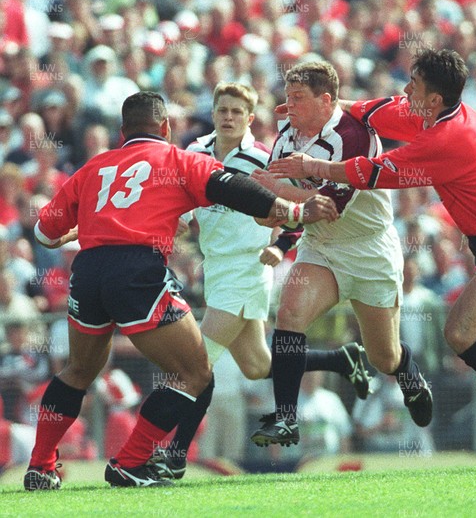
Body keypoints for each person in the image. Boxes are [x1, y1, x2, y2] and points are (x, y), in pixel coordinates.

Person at [269, 49, 476, 467]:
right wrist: (326, 105)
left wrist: (313, 166)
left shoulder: (449, 139)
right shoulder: (436, 114)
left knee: (460, 331)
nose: (404, 90)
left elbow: (373, 172)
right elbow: (377, 111)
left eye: (412, 85)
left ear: (432, 98)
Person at [22, 91, 339, 491]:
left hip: (88, 271)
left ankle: (40, 465)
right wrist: (294, 212)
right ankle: (131, 463)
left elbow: (43, 233)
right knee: (195, 373)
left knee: (78, 371)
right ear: (166, 128)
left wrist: (79, 229)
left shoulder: (94, 166)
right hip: (138, 270)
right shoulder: (177, 159)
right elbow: (235, 188)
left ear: (122, 133)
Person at [150, 83, 371, 479]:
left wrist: (282, 245)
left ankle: (174, 455)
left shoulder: (261, 158)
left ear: (250, 118)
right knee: (256, 365)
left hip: (249, 267)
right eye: (223, 110)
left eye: (237, 111)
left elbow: (302, 203)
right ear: (214, 113)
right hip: (216, 269)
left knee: (200, 362)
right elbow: (181, 208)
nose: (229, 117)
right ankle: (341, 359)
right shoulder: (195, 153)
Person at [250, 61, 433, 448]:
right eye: (287, 97)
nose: (289, 106)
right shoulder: (287, 134)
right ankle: (285, 418)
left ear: (326, 100)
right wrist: (271, 217)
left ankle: (407, 371)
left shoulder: (354, 136)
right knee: (289, 315)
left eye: (298, 98)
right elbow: (288, 206)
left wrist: (272, 191)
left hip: (368, 249)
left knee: (383, 356)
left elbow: (327, 205)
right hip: (320, 246)